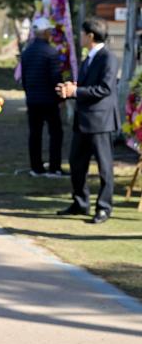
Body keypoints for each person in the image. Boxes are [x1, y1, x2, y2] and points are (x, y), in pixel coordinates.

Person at [55, 18, 119, 224]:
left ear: (90, 36)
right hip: (83, 120)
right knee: (76, 163)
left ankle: (104, 207)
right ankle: (80, 202)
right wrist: (71, 88)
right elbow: (86, 86)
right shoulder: (88, 58)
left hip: (100, 121)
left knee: (104, 167)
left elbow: (104, 89)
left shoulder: (108, 58)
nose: (79, 37)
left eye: (82, 34)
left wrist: (76, 91)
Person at [20, 17, 64, 177]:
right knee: (56, 133)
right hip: (50, 100)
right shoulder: (51, 52)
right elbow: (56, 79)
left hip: (33, 100)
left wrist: (29, 94)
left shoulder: (26, 52)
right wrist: (61, 98)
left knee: (35, 134)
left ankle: (36, 167)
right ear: (45, 32)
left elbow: (24, 78)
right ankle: (54, 167)